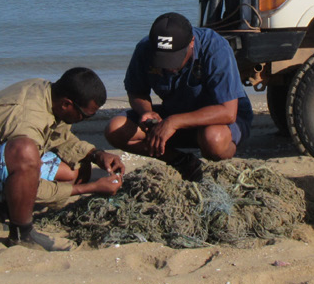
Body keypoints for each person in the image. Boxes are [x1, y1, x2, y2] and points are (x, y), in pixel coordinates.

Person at [0, 67, 125, 251]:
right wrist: (91, 188)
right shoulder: (27, 119)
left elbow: (62, 138)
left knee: (76, 167)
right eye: (85, 116)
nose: (85, 120)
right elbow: (33, 185)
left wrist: (97, 154)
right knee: (25, 151)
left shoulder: (48, 94)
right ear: (67, 104)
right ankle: (21, 234)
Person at [104, 12, 253, 181]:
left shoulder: (216, 48)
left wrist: (174, 122)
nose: (170, 68)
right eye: (163, 61)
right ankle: (182, 162)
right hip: (174, 112)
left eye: (175, 60)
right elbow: (137, 91)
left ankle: (218, 167)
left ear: (191, 43)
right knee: (115, 128)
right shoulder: (145, 48)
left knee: (213, 140)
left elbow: (228, 112)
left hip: (217, 121)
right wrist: (146, 111)